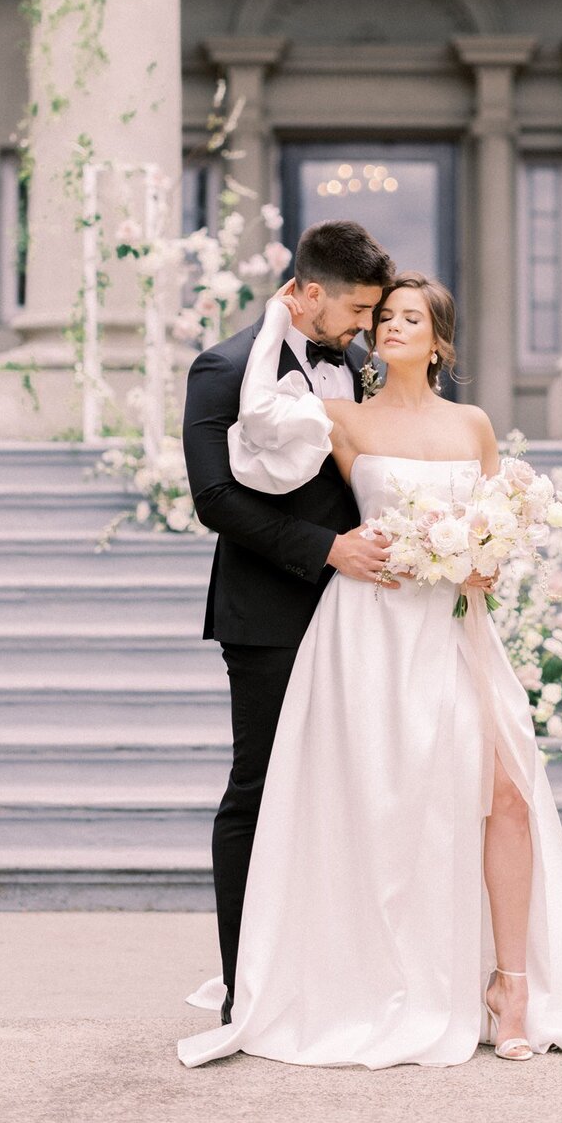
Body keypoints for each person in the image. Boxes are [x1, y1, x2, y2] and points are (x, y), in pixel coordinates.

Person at [178, 270, 562, 1069]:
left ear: (439, 341)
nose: (391, 328)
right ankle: (389, 976)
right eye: (385, 317)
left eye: (410, 318)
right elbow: (261, 422)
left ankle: (511, 985)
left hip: (456, 630)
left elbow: (496, 522)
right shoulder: (339, 416)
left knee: (505, 792)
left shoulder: (473, 424)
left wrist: (486, 561)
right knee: (392, 800)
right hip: (370, 626)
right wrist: (279, 313)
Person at [182, 219, 396, 1025]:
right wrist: (326, 549)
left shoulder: (367, 365)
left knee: (351, 791)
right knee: (260, 791)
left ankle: (338, 970)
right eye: (356, 311)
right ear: (305, 293)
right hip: (269, 614)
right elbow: (215, 499)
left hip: (365, 616)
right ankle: (249, 987)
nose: (366, 328)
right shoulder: (224, 369)